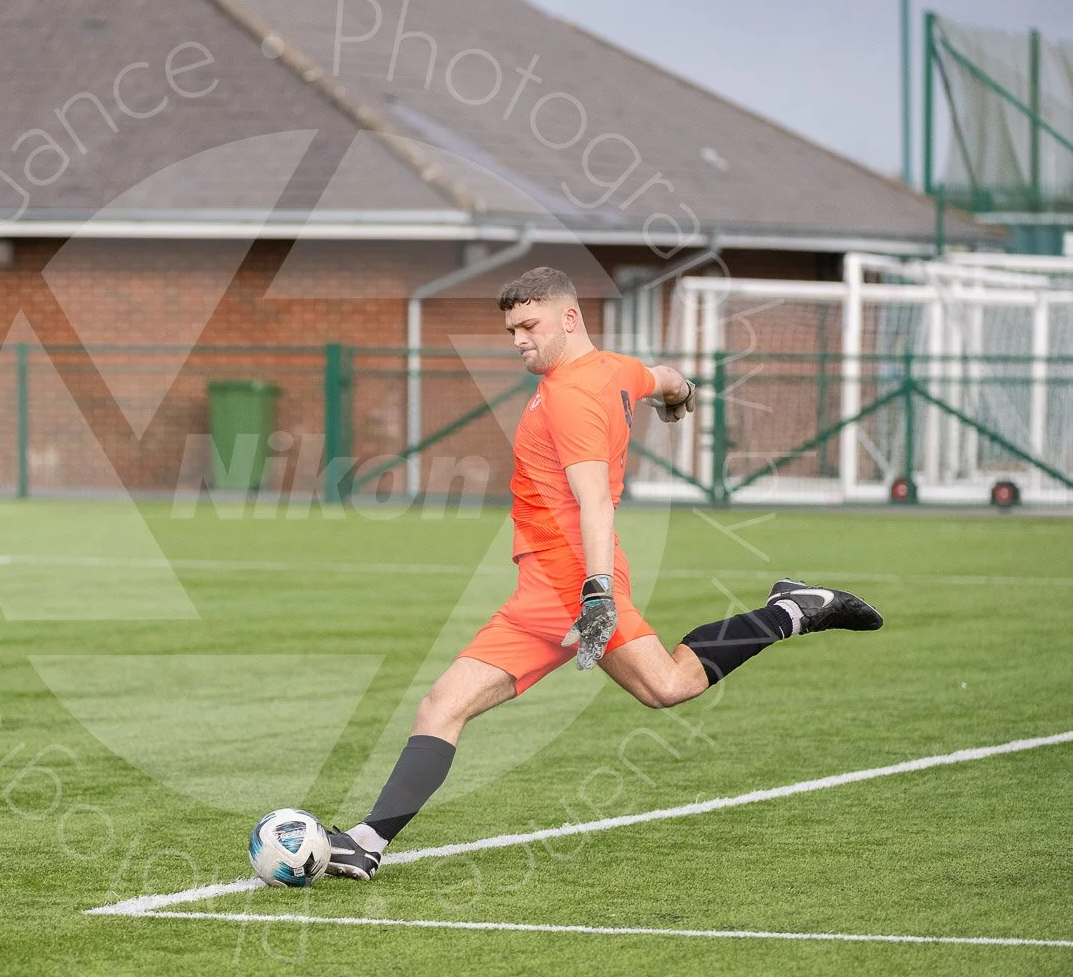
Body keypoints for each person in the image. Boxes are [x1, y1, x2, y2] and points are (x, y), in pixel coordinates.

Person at [326, 267, 883, 880]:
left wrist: (595, 592)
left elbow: (594, 500)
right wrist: (680, 396)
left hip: (571, 580)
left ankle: (792, 610)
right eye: (512, 329)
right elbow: (665, 379)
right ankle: (366, 841)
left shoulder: (570, 395)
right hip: (546, 584)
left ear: (569, 318)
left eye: (528, 325)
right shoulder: (613, 368)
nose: (518, 340)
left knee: (657, 687)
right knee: (453, 705)